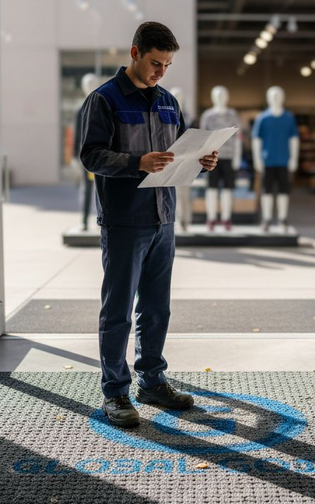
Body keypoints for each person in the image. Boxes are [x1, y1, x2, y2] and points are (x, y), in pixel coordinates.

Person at [78, 22, 218, 428]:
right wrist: (136, 163)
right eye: (156, 63)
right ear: (135, 53)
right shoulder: (104, 100)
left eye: (168, 65)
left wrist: (203, 161)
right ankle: (115, 392)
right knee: (118, 310)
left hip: (163, 217)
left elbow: (181, 153)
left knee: (156, 308)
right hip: (125, 220)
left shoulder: (169, 102)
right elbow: (90, 155)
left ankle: (152, 382)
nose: (161, 71)